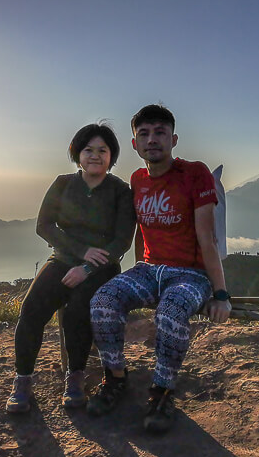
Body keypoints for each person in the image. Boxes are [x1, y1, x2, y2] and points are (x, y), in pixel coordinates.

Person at [87, 104, 231, 432]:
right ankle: (116, 380)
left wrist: (220, 293)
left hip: (190, 274)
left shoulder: (195, 174)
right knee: (103, 301)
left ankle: (162, 392)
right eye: (144, 134)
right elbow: (141, 230)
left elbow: (206, 237)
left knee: (171, 310)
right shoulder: (137, 179)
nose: (152, 139)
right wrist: (138, 266)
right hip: (149, 270)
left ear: (174, 139)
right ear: (135, 143)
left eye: (160, 132)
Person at [6, 122, 136, 413]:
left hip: (102, 267)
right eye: (88, 149)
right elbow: (44, 225)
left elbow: (122, 242)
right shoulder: (63, 184)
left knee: (78, 309)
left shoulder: (120, 191)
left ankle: (75, 376)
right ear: (77, 153)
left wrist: (87, 268)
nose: (95, 155)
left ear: (112, 157)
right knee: (32, 309)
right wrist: (80, 252)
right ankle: (23, 379)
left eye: (103, 150)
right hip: (62, 259)